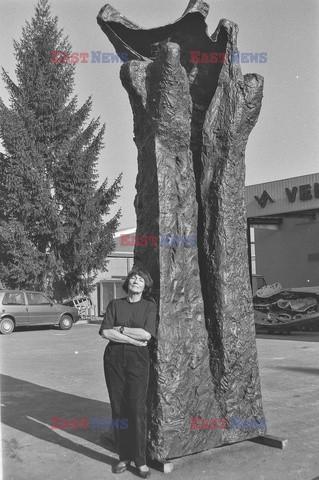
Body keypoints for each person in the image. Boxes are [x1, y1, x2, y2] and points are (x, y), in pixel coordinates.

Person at [99, 267, 157, 478]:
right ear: (127, 283)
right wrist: (132, 339)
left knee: (137, 409)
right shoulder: (115, 304)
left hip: (138, 362)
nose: (136, 281)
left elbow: (147, 335)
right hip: (113, 360)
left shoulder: (149, 307)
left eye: (140, 280)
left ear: (145, 286)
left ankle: (140, 460)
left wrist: (120, 329)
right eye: (133, 278)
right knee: (118, 408)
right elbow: (105, 331)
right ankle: (123, 456)